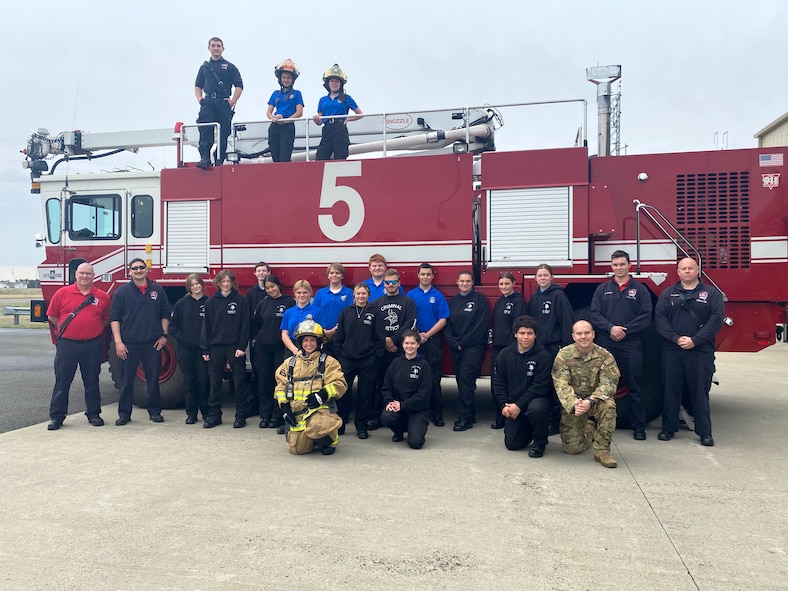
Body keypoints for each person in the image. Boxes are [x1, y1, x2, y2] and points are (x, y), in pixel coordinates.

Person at [654, 258, 724, 447]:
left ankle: (704, 433)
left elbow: (716, 320)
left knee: (700, 392)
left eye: (690, 268)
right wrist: (676, 338)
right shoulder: (668, 294)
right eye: (683, 269)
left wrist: (695, 340)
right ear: (677, 272)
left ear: (697, 270)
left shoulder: (711, 294)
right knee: (671, 390)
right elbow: (660, 319)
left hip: (700, 351)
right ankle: (668, 429)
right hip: (672, 350)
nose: (687, 271)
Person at [589, 250, 652, 440]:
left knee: (634, 385)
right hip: (606, 341)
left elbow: (646, 316)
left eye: (622, 264)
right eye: (615, 265)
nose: (618, 268)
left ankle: (638, 426)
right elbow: (594, 313)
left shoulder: (640, 290)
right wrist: (610, 328)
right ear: (611, 266)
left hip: (631, 343)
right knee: (599, 385)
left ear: (629, 265)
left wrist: (625, 330)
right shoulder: (602, 289)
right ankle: (596, 423)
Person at [46, 262, 111, 430]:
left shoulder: (102, 296)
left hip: (92, 344)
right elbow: (53, 317)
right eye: (82, 273)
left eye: (88, 274)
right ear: (75, 274)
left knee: (91, 381)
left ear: (93, 275)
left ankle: (94, 414)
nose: (85, 276)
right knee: (62, 381)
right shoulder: (62, 293)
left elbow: (105, 320)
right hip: (67, 344)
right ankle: (57, 417)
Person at [110, 259, 171, 425]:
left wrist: (164, 335)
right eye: (135, 268)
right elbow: (114, 319)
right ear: (129, 271)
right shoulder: (121, 292)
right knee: (126, 381)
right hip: (129, 345)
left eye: (141, 268)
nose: (138, 270)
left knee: (153, 380)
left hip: (152, 344)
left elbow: (165, 313)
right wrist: (118, 342)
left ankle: (155, 412)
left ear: (147, 269)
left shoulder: (157, 290)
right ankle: (124, 414)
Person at [552, 320, 620, 468]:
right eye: (579, 333)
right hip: (575, 404)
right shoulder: (564, 355)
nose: (583, 336)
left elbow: (609, 384)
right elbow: (561, 383)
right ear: (573, 336)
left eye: (587, 333)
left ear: (593, 334)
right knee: (572, 448)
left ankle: (602, 451)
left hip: (596, 401)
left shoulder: (604, 355)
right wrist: (574, 403)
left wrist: (591, 401)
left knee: (609, 406)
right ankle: (589, 427)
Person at [274, 318, 347, 455]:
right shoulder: (290, 363)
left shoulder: (328, 362)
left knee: (318, 427)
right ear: (300, 342)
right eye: (305, 340)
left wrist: (321, 396)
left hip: (319, 411)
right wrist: (284, 408)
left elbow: (340, 384)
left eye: (313, 340)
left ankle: (329, 440)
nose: (309, 344)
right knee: (297, 449)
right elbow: (280, 387)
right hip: (298, 413)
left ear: (319, 342)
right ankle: (311, 437)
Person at [493, 316, 554, 457]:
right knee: (512, 444)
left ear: (535, 334)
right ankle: (527, 428)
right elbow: (498, 383)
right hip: (513, 403)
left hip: (535, 401)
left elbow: (540, 386)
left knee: (537, 409)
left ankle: (540, 442)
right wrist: (503, 405)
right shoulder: (504, 355)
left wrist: (519, 405)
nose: (525, 337)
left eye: (530, 333)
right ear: (515, 334)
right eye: (522, 333)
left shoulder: (543, 356)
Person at [526, 263, 575, 435]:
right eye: (540, 275)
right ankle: (543, 420)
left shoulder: (558, 296)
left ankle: (556, 422)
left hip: (554, 348)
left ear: (551, 277)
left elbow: (567, 321)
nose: (543, 278)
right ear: (535, 278)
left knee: (556, 386)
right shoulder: (534, 298)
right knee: (542, 384)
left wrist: (567, 348)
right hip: (539, 349)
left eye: (546, 275)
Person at [200, 270, 251, 428]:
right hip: (216, 346)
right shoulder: (211, 302)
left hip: (235, 347)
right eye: (223, 281)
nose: (226, 284)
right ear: (218, 283)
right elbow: (206, 327)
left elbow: (245, 325)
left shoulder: (241, 301)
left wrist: (242, 346)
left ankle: (240, 416)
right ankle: (214, 416)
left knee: (239, 382)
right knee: (214, 383)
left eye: (229, 281)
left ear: (233, 283)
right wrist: (205, 349)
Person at [334, 283, 385, 439]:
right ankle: (341, 424)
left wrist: (375, 355)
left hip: (367, 361)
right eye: (358, 293)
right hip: (347, 359)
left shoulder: (375, 312)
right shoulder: (345, 312)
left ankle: (361, 426)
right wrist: (339, 355)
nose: (361, 296)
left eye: (364, 293)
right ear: (354, 295)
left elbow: (379, 338)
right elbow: (339, 336)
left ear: (368, 295)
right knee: (343, 393)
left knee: (365, 394)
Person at [370, 268, 418, 430]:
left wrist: (393, 340)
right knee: (380, 383)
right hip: (382, 351)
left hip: (400, 350)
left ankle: (403, 415)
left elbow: (409, 323)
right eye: (388, 282)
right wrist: (385, 341)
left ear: (399, 283)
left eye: (394, 282)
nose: (391, 285)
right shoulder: (376, 303)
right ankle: (378, 415)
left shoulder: (408, 302)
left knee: (402, 383)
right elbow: (374, 326)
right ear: (384, 283)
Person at [444, 270, 490, 432]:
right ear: (457, 282)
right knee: (461, 382)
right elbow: (446, 324)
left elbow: (481, 326)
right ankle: (471, 413)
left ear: (472, 283)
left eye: (468, 281)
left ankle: (465, 418)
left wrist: (463, 343)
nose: (464, 284)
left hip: (473, 347)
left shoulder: (479, 300)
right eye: (462, 281)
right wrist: (453, 342)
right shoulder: (453, 301)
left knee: (466, 379)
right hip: (456, 347)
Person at [406, 263, 450, 427]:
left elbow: (443, 319)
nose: (425, 277)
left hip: (432, 342)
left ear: (433, 276)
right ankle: (415, 411)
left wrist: (427, 335)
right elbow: (407, 318)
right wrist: (416, 337)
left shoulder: (438, 296)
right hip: (412, 342)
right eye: (422, 274)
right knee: (412, 379)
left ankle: (437, 413)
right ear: (418, 275)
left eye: (428, 274)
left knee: (433, 379)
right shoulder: (410, 295)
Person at [251, 275, 295, 429]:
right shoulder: (262, 303)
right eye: (268, 288)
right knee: (264, 382)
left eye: (273, 286)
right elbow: (254, 324)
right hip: (263, 348)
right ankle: (265, 416)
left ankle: (278, 416)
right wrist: (258, 338)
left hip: (280, 348)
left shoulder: (289, 302)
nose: (271, 290)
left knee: (280, 383)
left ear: (279, 286)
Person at [194, 37, 243, 168]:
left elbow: (239, 85)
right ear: (209, 48)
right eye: (213, 45)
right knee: (205, 129)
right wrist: (200, 98)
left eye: (218, 46)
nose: (216, 48)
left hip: (223, 102)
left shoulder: (230, 67)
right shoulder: (204, 68)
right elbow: (197, 85)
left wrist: (233, 100)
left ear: (223, 48)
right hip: (208, 102)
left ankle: (219, 158)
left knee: (224, 131)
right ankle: (205, 157)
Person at [380, 329, 431, 449]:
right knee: (386, 417)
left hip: (417, 409)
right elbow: (386, 387)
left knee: (415, 443)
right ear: (402, 345)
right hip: (398, 407)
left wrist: (403, 405)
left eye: (413, 343)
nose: (409, 346)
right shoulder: (395, 363)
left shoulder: (424, 365)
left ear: (418, 344)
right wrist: (389, 402)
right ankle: (399, 431)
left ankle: (416, 426)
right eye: (406, 343)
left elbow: (424, 393)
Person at [169, 274, 209, 424]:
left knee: (204, 381)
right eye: (192, 285)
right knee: (189, 381)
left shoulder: (209, 302)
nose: (195, 287)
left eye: (197, 284)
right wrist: (183, 338)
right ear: (189, 287)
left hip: (203, 349)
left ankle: (206, 412)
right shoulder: (181, 304)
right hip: (186, 350)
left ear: (202, 285)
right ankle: (191, 414)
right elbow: (173, 326)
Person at [489, 272, 527, 430]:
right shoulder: (499, 302)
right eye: (501, 284)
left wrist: (514, 348)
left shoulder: (518, 302)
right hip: (497, 349)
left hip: (511, 349)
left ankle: (512, 417)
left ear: (513, 284)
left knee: (511, 384)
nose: (503, 287)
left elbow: (518, 327)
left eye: (506, 284)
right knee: (497, 384)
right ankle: (500, 415)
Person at [311, 64, 362, 161]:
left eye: (337, 81)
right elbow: (320, 120)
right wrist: (316, 119)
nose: (334, 83)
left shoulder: (346, 98)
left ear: (341, 84)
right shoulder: (323, 100)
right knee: (321, 156)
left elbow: (360, 114)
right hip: (327, 128)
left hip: (340, 128)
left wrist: (348, 119)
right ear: (328, 83)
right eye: (332, 81)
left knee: (340, 155)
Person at [267, 59, 304, 162]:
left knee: (285, 156)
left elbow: (299, 112)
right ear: (280, 78)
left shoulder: (297, 93)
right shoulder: (275, 93)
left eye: (288, 77)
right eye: (284, 77)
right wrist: (273, 118)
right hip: (275, 126)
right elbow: (268, 112)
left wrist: (286, 120)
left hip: (288, 127)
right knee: (275, 154)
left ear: (292, 79)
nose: (286, 80)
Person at [312, 263, 353, 356]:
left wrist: (334, 331)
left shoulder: (349, 293)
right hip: (322, 335)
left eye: (337, 273)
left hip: (342, 335)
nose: (334, 275)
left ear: (342, 276)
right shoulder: (320, 293)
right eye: (332, 273)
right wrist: (323, 331)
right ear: (328, 276)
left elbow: (348, 315)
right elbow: (315, 313)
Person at [280, 280, 323, 356]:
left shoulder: (317, 311)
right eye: (299, 292)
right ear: (294, 293)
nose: (302, 295)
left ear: (310, 293)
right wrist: (294, 350)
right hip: (291, 348)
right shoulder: (289, 312)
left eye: (305, 292)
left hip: (310, 348)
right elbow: (284, 334)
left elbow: (320, 333)